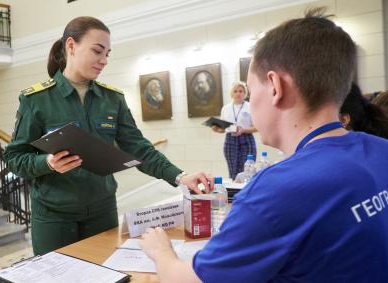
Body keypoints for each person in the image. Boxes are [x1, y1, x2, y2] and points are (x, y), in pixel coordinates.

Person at [140, 8, 388, 283]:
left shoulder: (277, 189)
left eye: (250, 87)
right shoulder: (380, 149)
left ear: (274, 86)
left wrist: (161, 251)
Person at [3, 16, 213, 256]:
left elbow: (139, 149)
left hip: (102, 212)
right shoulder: (36, 99)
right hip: (54, 217)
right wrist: (47, 163)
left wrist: (180, 176)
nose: (104, 61)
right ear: (71, 46)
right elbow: (14, 158)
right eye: (97, 51)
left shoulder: (113, 99)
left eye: (108, 54)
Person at [211, 81, 257, 179]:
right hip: (230, 140)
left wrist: (243, 130)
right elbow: (223, 129)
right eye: (235, 91)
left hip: (246, 139)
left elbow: (257, 127)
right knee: (233, 172)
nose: (238, 93)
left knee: (247, 171)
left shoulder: (250, 106)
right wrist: (217, 129)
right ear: (231, 93)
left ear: (245, 93)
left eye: (241, 91)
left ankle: (247, 192)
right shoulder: (226, 108)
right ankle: (235, 193)